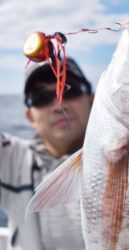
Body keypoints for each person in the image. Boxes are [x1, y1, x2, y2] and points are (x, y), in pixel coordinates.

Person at [0, 57, 94, 250]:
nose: (59, 105)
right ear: (30, 116)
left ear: (92, 100)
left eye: (69, 90)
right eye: (41, 98)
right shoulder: (10, 158)